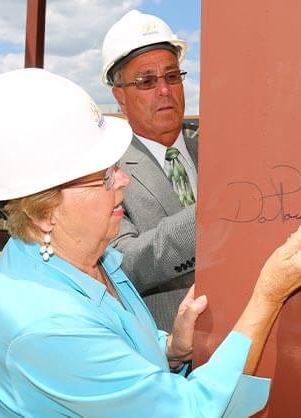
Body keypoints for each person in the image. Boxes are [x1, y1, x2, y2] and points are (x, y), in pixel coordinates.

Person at [0, 68, 301, 417]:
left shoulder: (84, 258)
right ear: (43, 212)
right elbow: (192, 411)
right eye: (103, 178)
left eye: (115, 167)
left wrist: (171, 349)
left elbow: (116, 343)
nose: (123, 180)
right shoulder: (47, 327)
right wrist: (269, 294)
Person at [101, 10, 198, 331]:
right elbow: (122, 264)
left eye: (172, 76)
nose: (165, 90)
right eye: (146, 81)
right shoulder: (106, 174)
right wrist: (212, 215)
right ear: (120, 97)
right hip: (163, 348)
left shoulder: (223, 156)